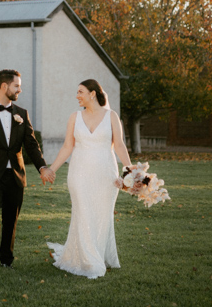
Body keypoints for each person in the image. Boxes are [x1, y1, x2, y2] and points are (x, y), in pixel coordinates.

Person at [44, 79, 132, 278]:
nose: (77, 96)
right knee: (83, 213)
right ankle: (90, 261)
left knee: (101, 215)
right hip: (79, 174)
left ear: (93, 93)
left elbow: (119, 145)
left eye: (80, 92)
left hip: (105, 174)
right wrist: (52, 169)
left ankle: (97, 253)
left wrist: (129, 172)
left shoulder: (111, 116)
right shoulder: (75, 117)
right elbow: (67, 146)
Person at [0, 69, 55, 275]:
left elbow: (32, 145)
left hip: (16, 175)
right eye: (16, 85)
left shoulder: (22, 114)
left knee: (11, 218)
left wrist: (42, 167)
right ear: (4, 86)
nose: (20, 89)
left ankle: (6, 259)